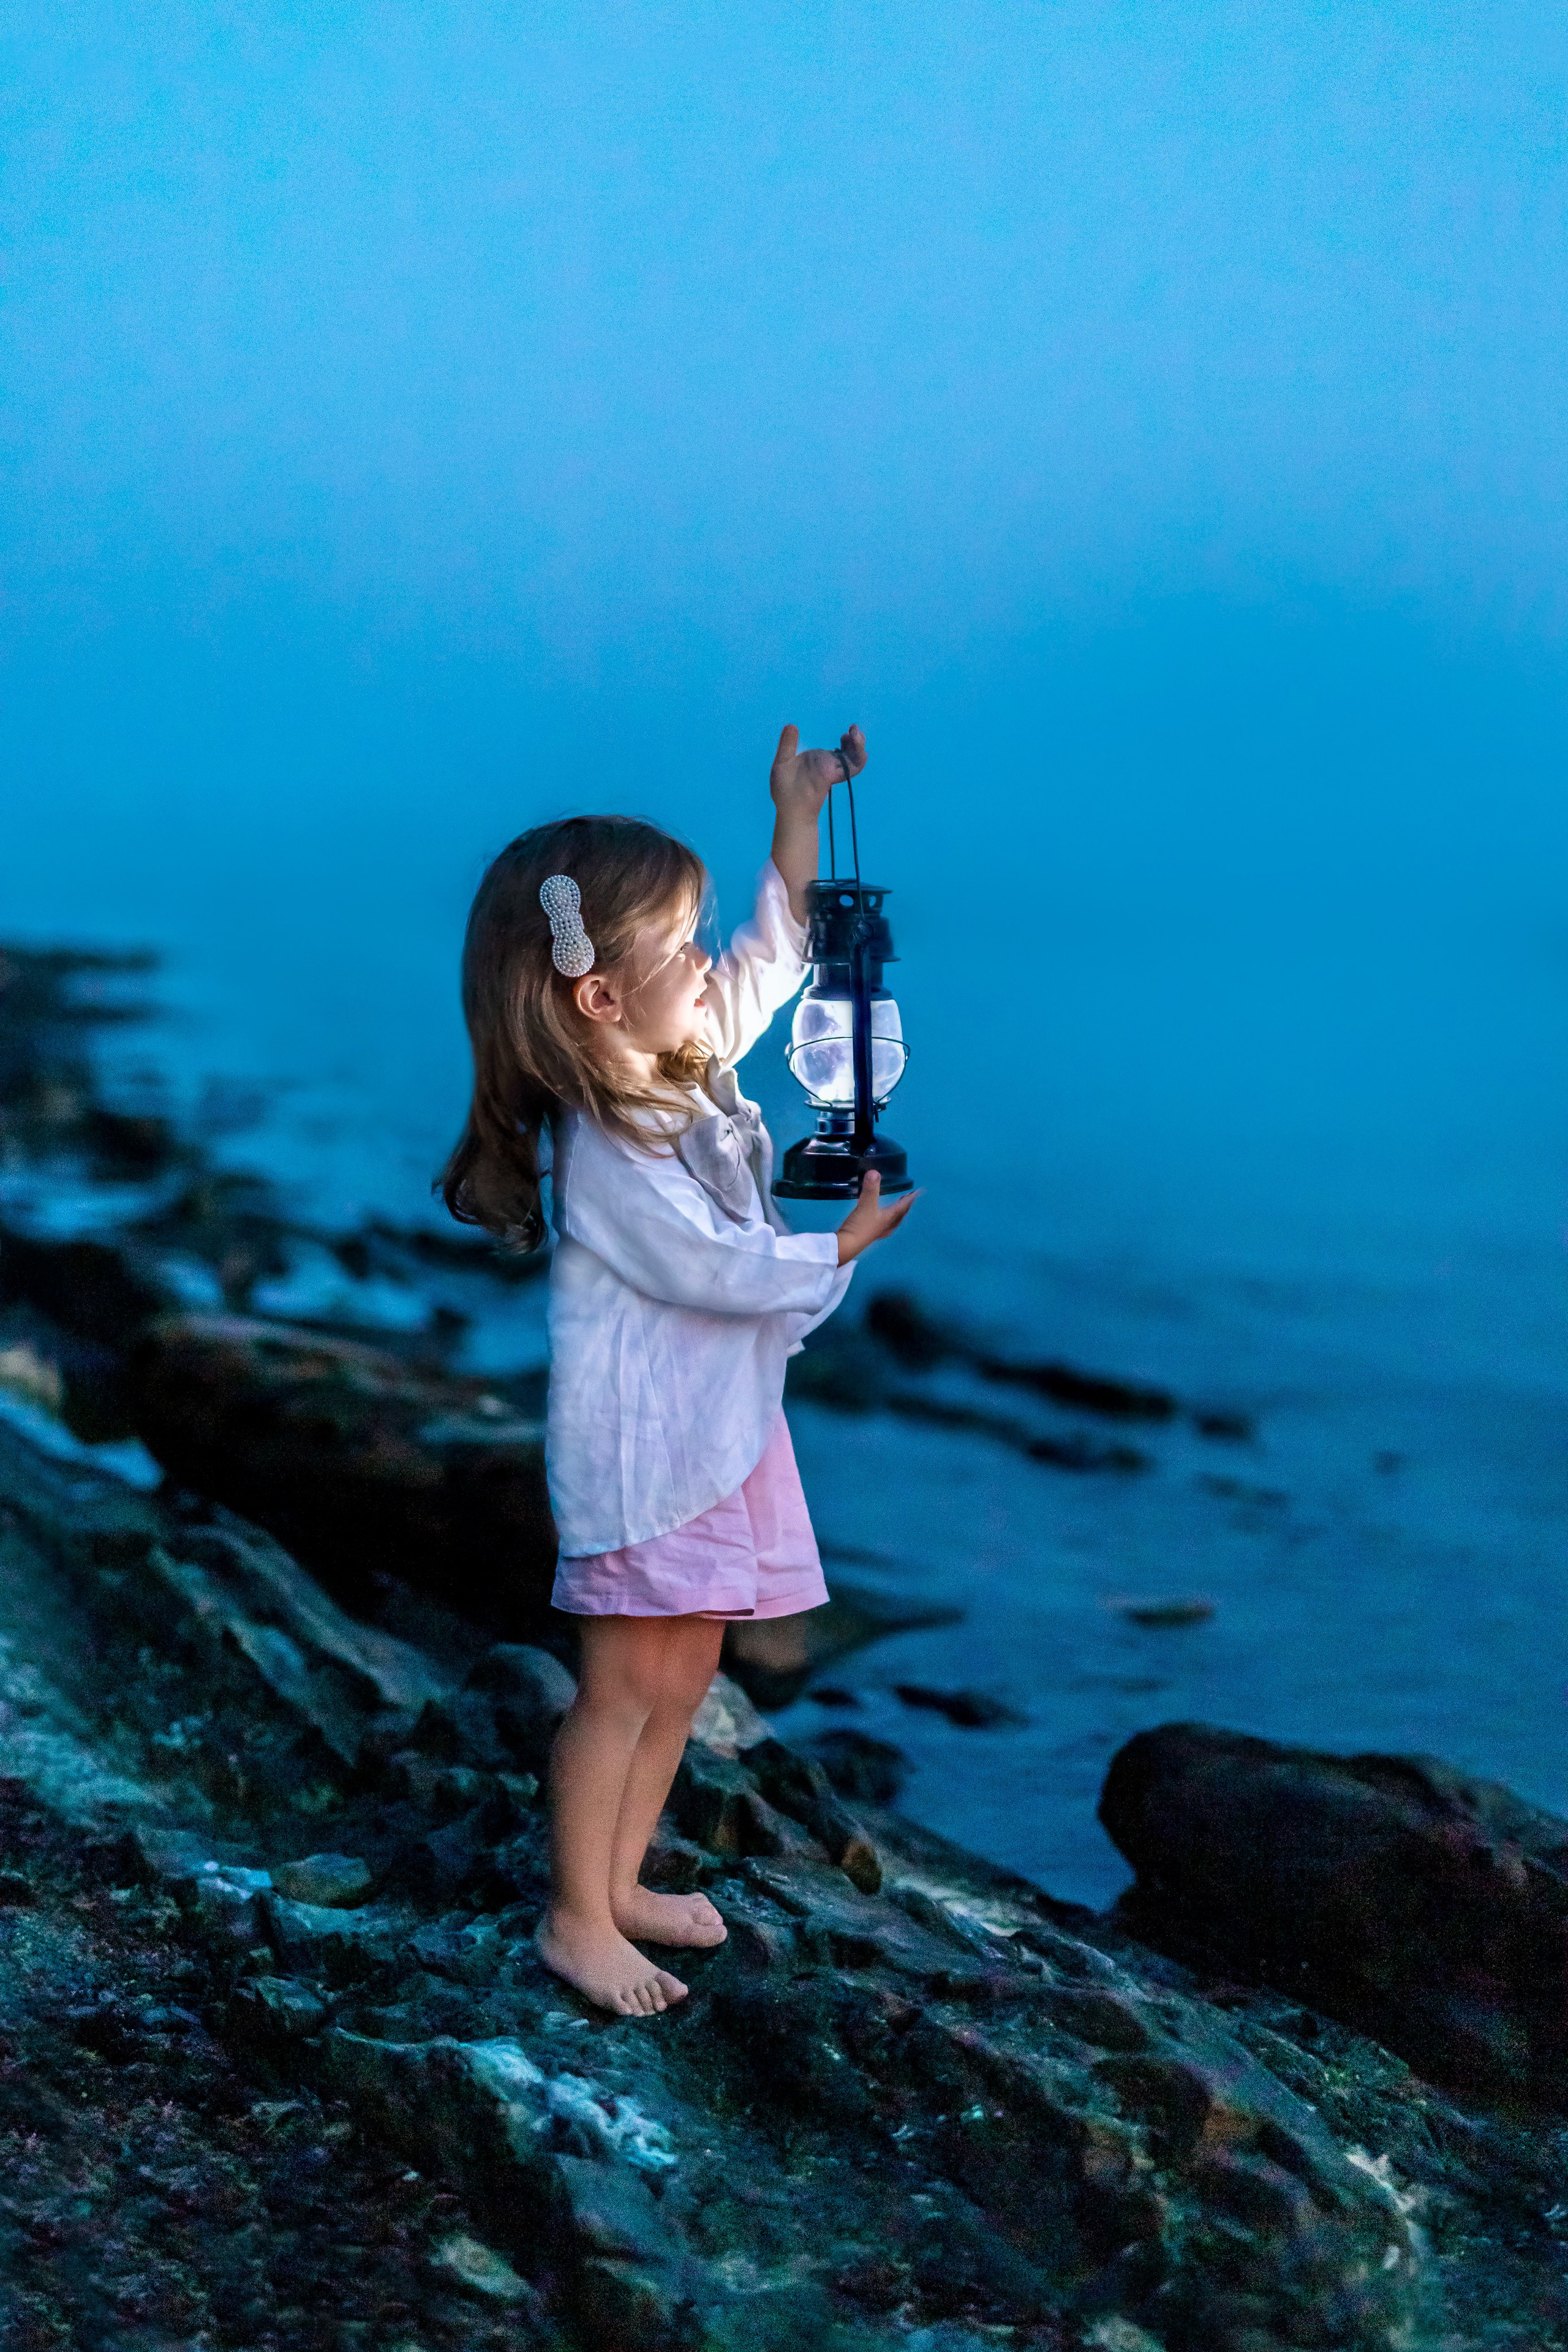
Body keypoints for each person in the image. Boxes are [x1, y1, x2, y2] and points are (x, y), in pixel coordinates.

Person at [439, 723, 916, 2015]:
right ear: (600, 998)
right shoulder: (610, 1152)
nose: (709, 965)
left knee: (688, 1667)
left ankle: (623, 1875)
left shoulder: (679, 1067)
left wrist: (797, 818)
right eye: (679, 945)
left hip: (717, 1437)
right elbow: (715, 1266)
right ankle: (574, 1916)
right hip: (645, 1455)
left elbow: (771, 960)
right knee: (621, 1682)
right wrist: (835, 1251)